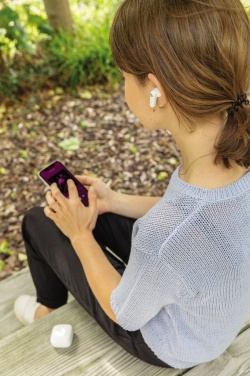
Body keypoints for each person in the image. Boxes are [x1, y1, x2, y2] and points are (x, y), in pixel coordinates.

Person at [14, 0, 250, 369]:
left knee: (38, 221)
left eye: (124, 75)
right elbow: (202, 224)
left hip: (172, 345)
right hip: (218, 314)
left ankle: (47, 310)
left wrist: (80, 236)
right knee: (93, 210)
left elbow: (123, 311)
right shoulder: (232, 158)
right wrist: (114, 200)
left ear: (156, 90)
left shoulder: (165, 234)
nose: (123, 85)